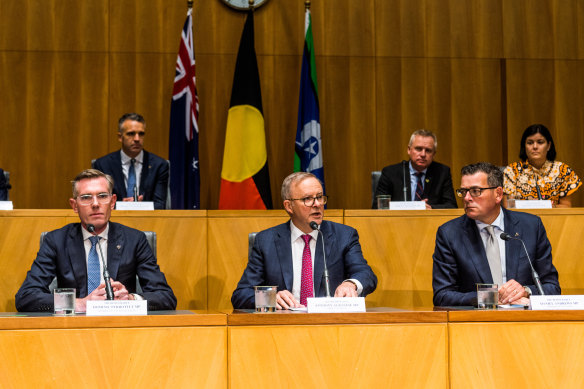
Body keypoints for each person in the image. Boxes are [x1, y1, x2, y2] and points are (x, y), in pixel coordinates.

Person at [15, 169, 176, 312]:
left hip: (122, 328)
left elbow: (165, 297)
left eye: (102, 196)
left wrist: (131, 299)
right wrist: (79, 303)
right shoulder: (56, 241)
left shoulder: (135, 240)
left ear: (112, 202)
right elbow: (26, 297)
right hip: (71, 332)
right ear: (74, 205)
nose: (95, 204)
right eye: (86, 197)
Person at [232, 172, 377, 310]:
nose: (317, 204)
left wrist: (351, 284)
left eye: (320, 197)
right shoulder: (266, 241)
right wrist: (270, 298)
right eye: (307, 199)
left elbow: (365, 274)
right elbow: (241, 295)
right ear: (289, 206)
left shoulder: (343, 235)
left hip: (330, 326)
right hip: (283, 327)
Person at [432, 162, 560, 307]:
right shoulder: (450, 234)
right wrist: (490, 297)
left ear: (498, 194)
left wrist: (525, 291)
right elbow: (442, 295)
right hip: (477, 323)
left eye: (475, 191)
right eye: (463, 191)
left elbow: (552, 287)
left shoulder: (531, 227)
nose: (466, 198)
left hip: (525, 321)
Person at [93, 113, 169, 209]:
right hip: (114, 219)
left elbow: (160, 205)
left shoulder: (159, 165)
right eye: (131, 134)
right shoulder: (103, 165)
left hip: (148, 220)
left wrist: (140, 206)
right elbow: (100, 202)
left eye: (141, 134)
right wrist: (122, 205)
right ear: (120, 137)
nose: (137, 139)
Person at [373, 129, 457, 209]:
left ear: (434, 154)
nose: (423, 154)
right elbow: (378, 206)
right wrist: (413, 207)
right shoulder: (390, 173)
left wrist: (431, 208)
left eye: (428, 150)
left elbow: (452, 206)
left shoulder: (442, 172)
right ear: (409, 150)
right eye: (418, 149)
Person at [503, 124, 581, 208]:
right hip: (522, 219)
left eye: (540, 142)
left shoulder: (563, 170)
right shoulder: (512, 170)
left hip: (553, 219)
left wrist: (550, 207)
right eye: (530, 143)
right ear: (524, 146)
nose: (535, 147)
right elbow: (508, 206)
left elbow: (566, 206)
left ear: (548, 146)